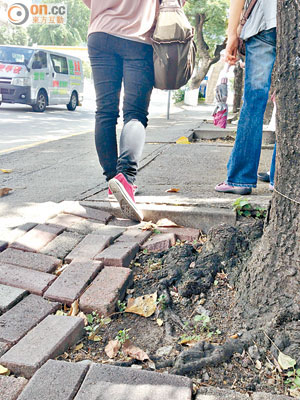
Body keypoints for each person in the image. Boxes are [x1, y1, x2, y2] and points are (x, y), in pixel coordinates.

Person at [81, 0, 160, 221]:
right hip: (137, 37)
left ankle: (112, 179)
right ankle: (125, 177)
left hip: (100, 33)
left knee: (105, 111)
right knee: (135, 113)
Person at [215, 0, 277, 195]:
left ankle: (241, 179)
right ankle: (279, 176)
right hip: (294, 23)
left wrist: (232, 35)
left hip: (264, 25)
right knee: (291, 105)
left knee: (254, 104)